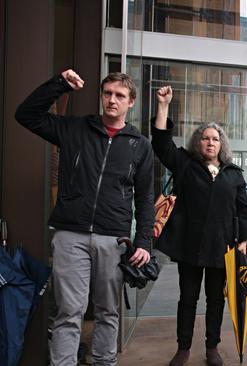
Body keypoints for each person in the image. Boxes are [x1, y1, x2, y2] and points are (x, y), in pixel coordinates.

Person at [14, 69, 154, 365]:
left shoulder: (139, 145)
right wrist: (59, 85)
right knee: (68, 312)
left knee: (107, 311)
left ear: (131, 102)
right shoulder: (75, 129)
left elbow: (145, 199)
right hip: (70, 235)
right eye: (107, 94)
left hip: (114, 239)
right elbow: (25, 114)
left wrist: (143, 241)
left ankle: (104, 362)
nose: (111, 100)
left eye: (119, 96)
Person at [151, 86, 247, 366]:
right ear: (197, 143)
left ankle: (212, 347)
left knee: (215, 300)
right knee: (187, 299)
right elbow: (162, 145)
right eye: (205, 138)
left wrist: (244, 239)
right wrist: (163, 106)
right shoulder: (185, 164)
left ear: (222, 145)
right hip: (190, 246)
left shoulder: (233, 175)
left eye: (215, 139)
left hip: (220, 248)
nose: (210, 142)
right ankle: (183, 348)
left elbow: (243, 209)